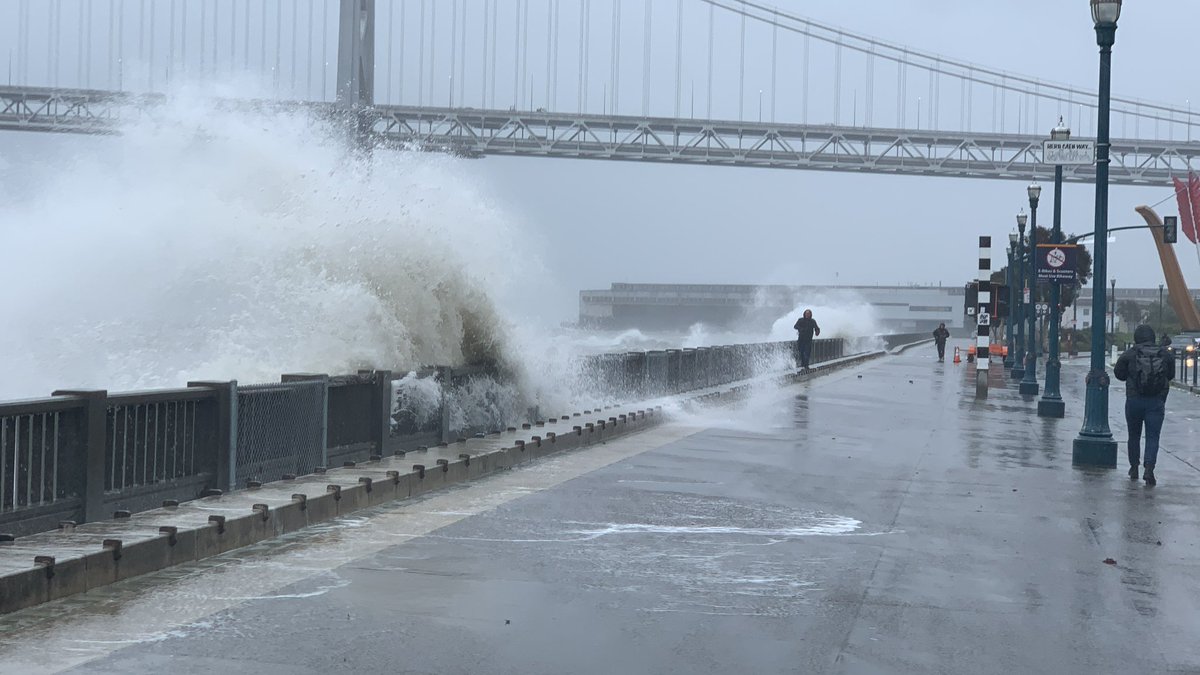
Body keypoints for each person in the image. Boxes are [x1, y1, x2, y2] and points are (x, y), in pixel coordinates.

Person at [1113, 324, 1174, 485]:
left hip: (1134, 400)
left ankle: (1134, 467)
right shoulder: (1164, 354)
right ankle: (1149, 468)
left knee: (1134, 435)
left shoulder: (1130, 354)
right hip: (1156, 401)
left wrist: (1132, 377)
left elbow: (1118, 373)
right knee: (1153, 436)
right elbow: (1171, 374)